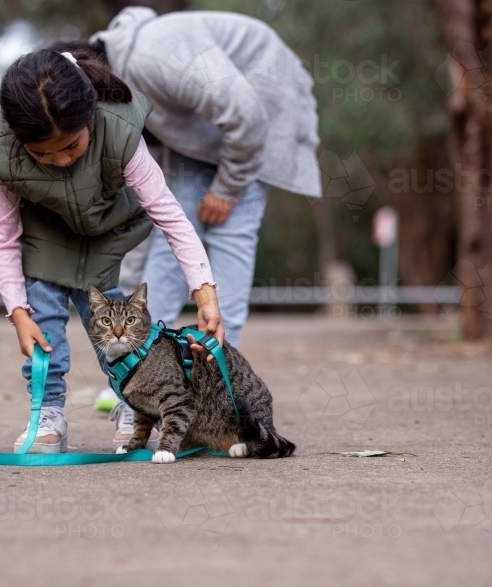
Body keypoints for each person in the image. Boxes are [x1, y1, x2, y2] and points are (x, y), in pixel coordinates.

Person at [0, 49, 223, 454]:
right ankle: (47, 413)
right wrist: (18, 312)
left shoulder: (120, 130)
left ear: (89, 118)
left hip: (105, 226)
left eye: (71, 146)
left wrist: (205, 293)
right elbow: (2, 236)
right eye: (42, 154)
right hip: (45, 231)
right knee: (43, 317)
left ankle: (136, 405)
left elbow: (170, 216)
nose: (59, 161)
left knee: (113, 320)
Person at [56, 7, 321, 346]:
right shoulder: (122, 102)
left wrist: (228, 187)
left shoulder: (152, 59)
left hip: (259, 104)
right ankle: (146, 358)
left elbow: (247, 115)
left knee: (232, 230)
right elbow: (151, 215)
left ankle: (221, 364)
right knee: (175, 230)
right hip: (203, 124)